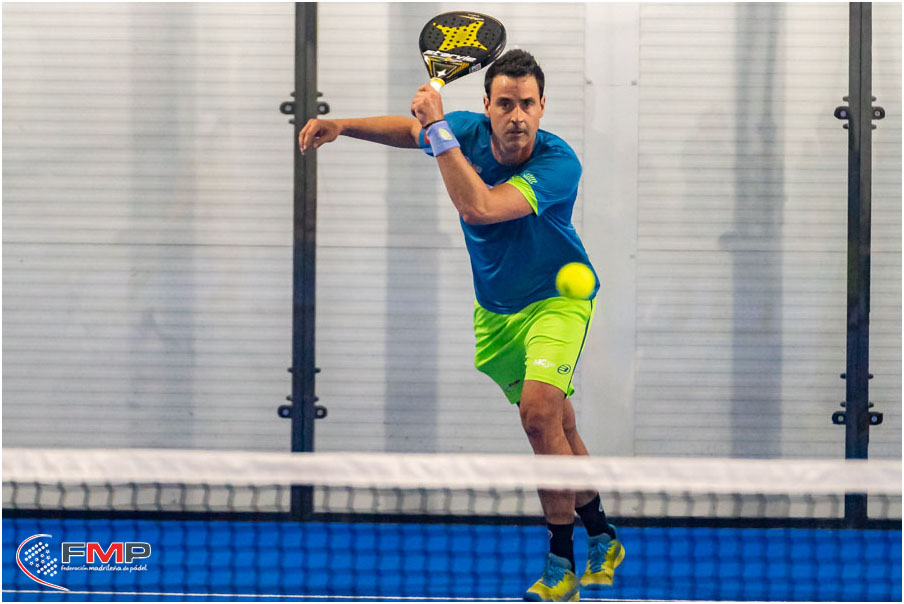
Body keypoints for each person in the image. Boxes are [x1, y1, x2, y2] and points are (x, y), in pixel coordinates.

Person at [299, 49, 625, 602]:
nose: (517, 115)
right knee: (559, 424)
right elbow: (411, 132)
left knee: (538, 415)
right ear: (487, 105)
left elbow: (481, 207)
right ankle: (602, 535)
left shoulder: (558, 163)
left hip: (557, 300)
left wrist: (438, 129)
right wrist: (343, 125)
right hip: (496, 310)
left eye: (527, 104)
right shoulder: (467, 133)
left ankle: (560, 562)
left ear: (543, 106)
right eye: (506, 103)